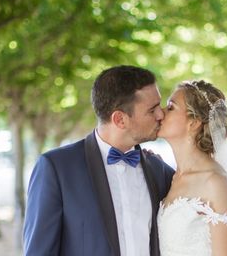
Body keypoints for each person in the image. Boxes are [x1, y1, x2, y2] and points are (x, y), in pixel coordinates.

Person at [23, 65, 175, 256]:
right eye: (152, 110)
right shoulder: (57, 169)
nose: (161, 114)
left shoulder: (159, 170)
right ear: (120, 119)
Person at [157, 80, 227, 256]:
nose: (160, 113)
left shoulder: (215, 182)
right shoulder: (174, 176)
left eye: (171, 107)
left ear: (194, 123)